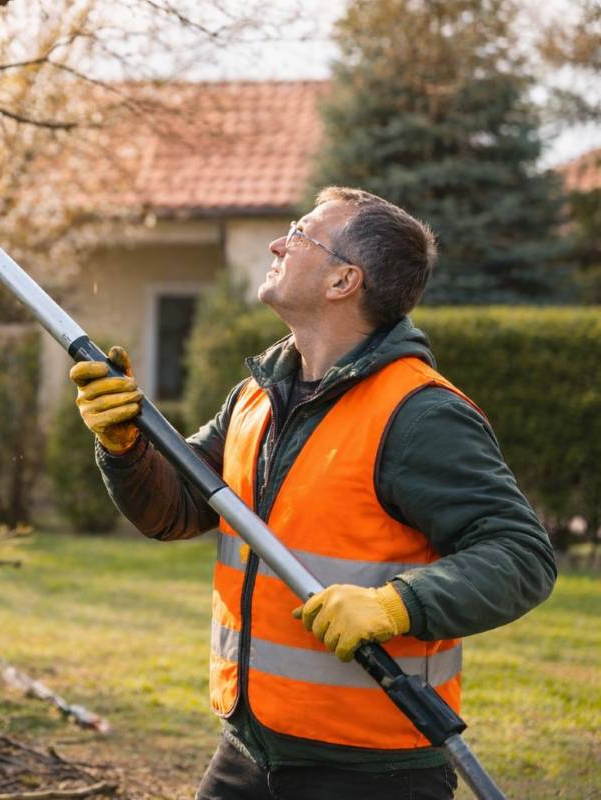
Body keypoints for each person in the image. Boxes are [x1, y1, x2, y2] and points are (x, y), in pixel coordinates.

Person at [70, 187, 556, 800]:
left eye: (300, 234)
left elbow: (521, 554)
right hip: (250, 747)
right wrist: (126, 447)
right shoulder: (258, 395)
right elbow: (178, 508)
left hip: (370, 770)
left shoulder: (418, 414)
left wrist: (395, 606)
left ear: (343, 281)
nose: (278, 242)